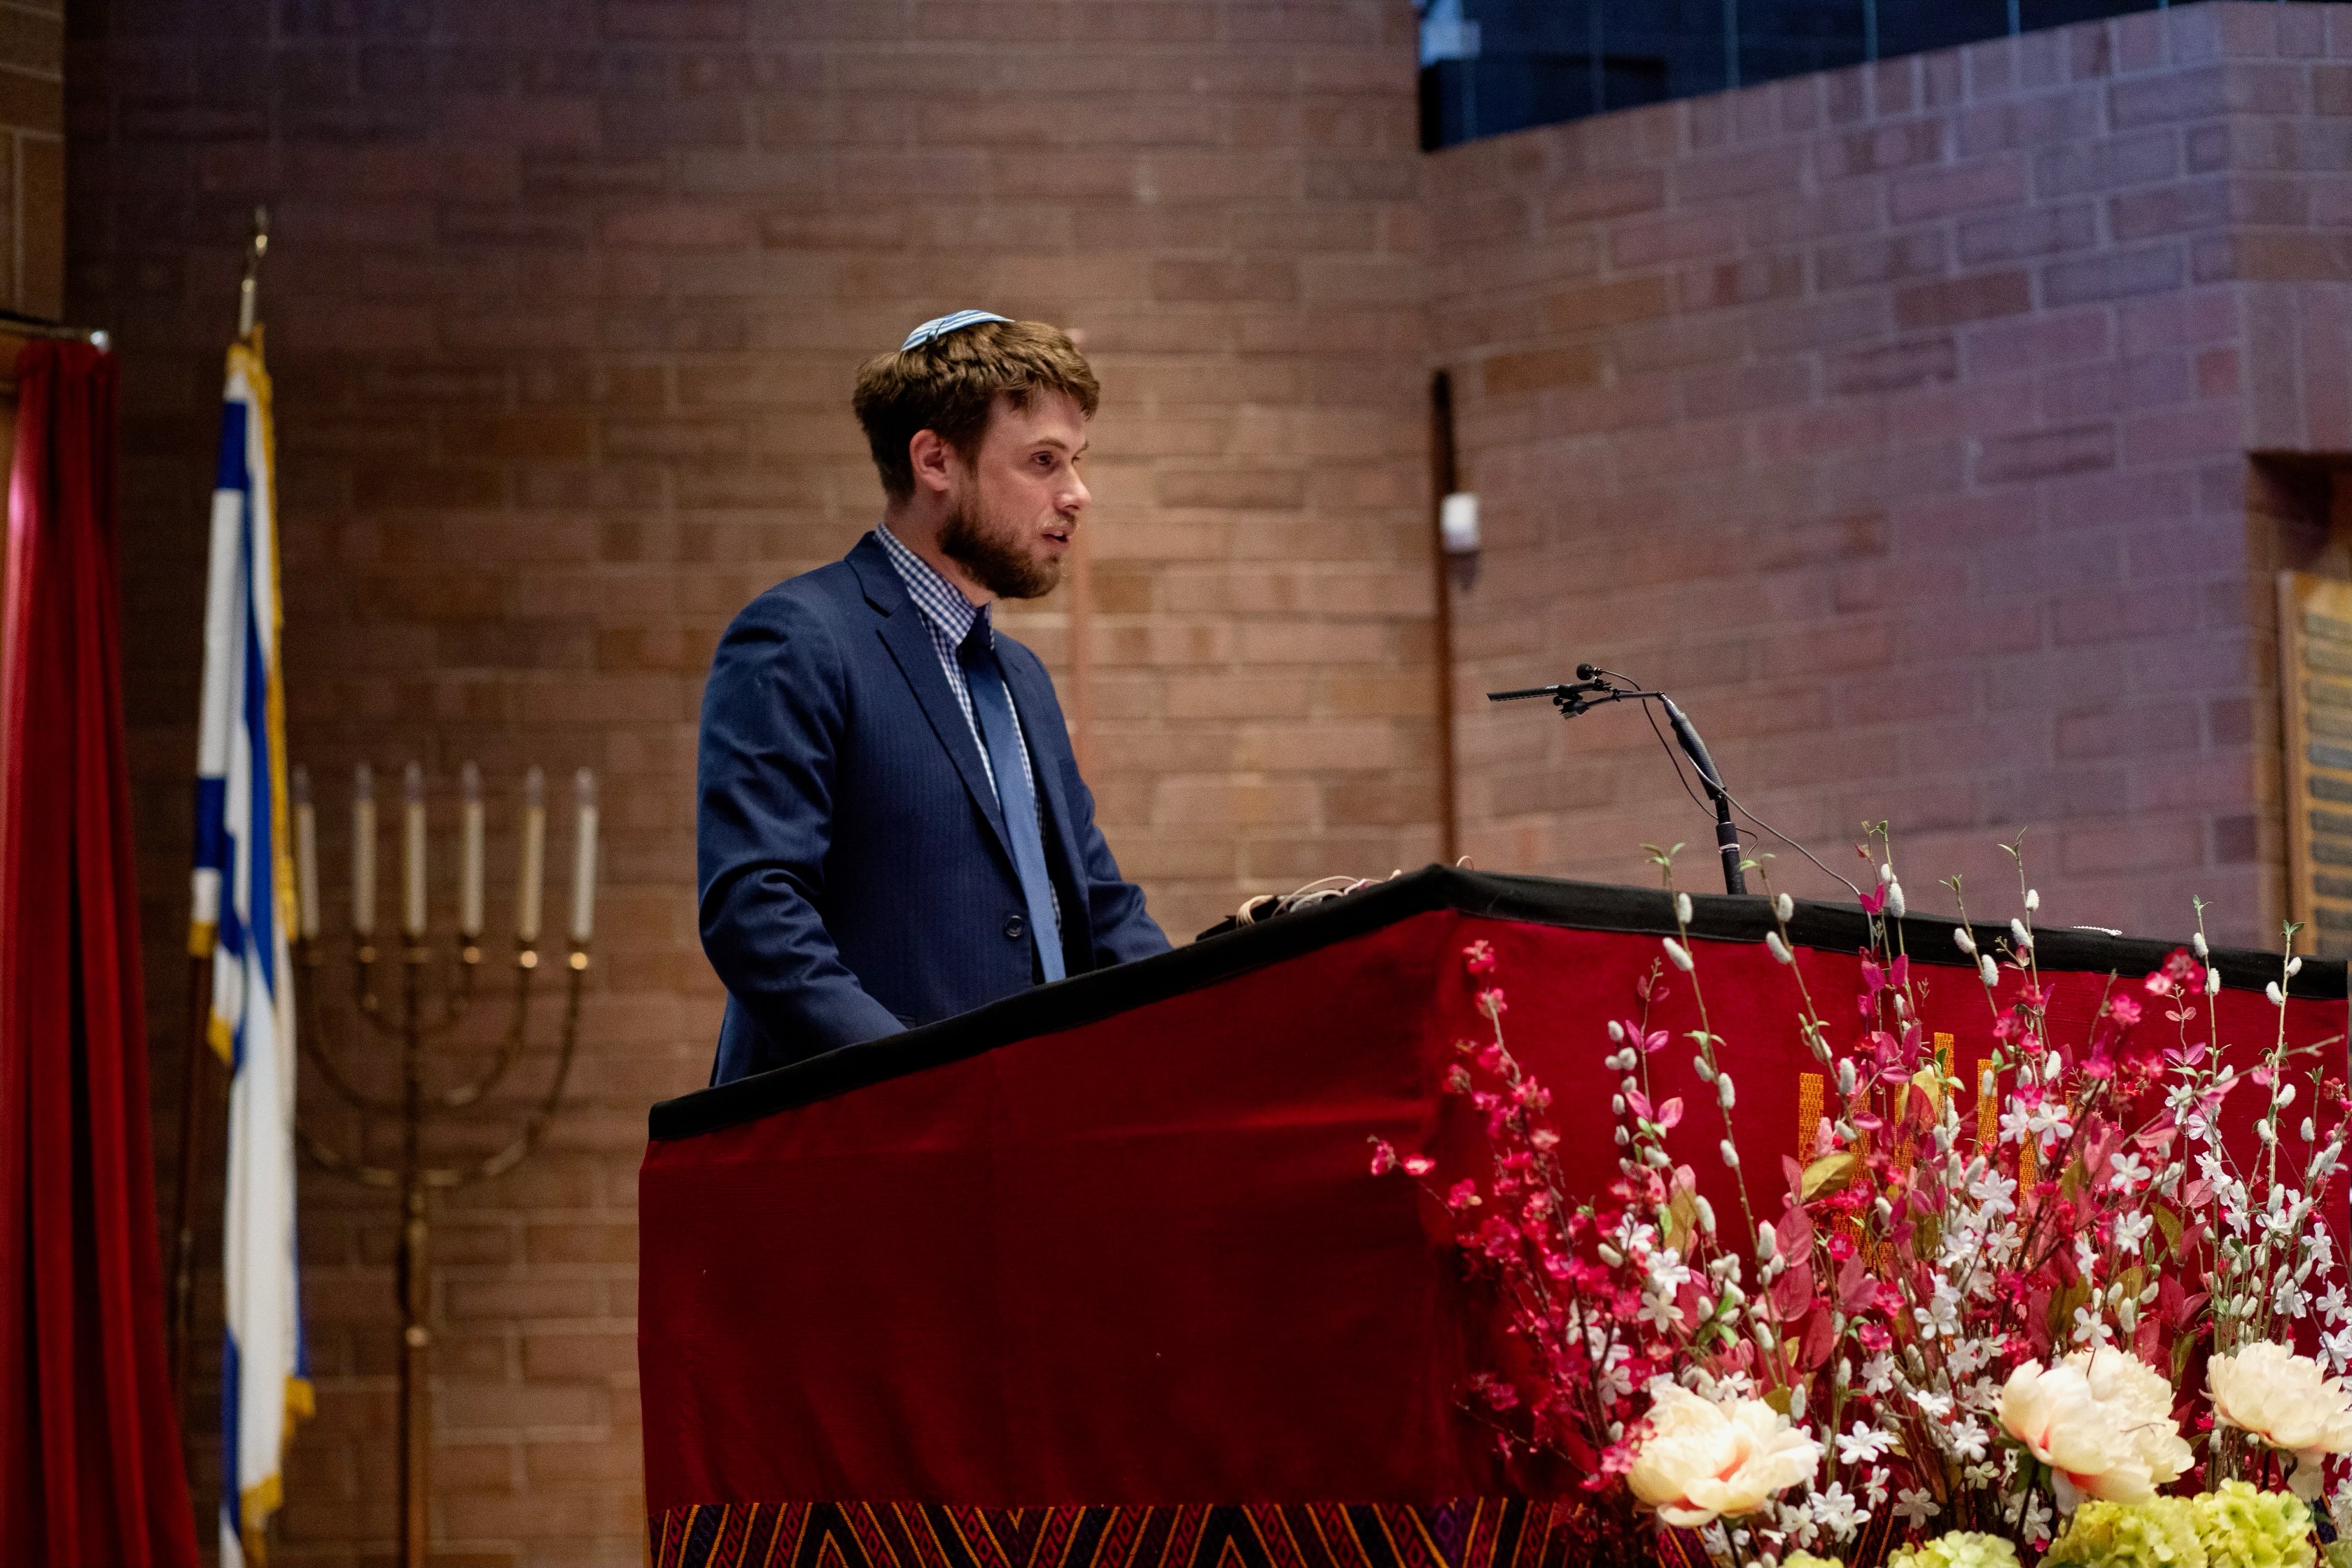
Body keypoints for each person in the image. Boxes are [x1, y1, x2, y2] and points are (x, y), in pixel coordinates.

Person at [696, 311, 1169, 1084]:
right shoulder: (801, 638)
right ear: (935, 460)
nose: (1078, 493)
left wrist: (1205, 1028)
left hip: (1029, 1135)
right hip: (870, 1143)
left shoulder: (1021, 677)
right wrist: (931, 1084)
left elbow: (1100, 907)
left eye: (1077, 460)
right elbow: (757, 916)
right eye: (1044, 460)